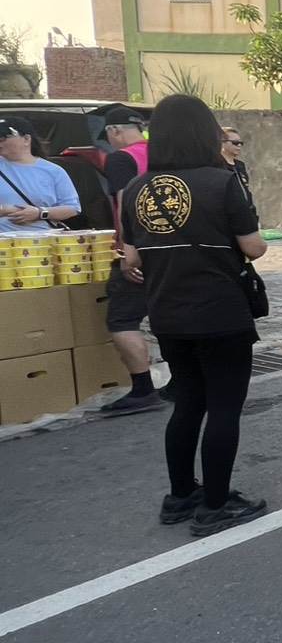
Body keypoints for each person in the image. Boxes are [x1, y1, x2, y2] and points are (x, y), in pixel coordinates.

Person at [117, 96, 267, 534]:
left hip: (167, 312)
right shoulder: (221, 182)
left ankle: (181, 495)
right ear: (204, 134)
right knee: (224, 407)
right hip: (220, 310)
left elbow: (130, 258)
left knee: (188, 403)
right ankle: (216, 504)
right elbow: (254, 246)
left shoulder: (137, 189)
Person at [97, 107, 163, 416]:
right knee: (166, 314)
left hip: (141, 248)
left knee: (123, 320)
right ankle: (182, 382)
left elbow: (126, 203)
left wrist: (126, 250)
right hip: (171, 247)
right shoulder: (164, 152)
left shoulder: (121, 158)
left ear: (113, 132)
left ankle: (142, 389)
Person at [0, 117, 81, 233]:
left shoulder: (53, 171)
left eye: (3, 138)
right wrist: (4, 210)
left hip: (43, 243)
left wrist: (39, 213)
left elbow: (73, 208)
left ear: (26, 139)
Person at [220, 126, 252, 203]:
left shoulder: (240, 166)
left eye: (241, 143)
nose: (239, 146)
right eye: (235, 143)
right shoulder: (216, 165)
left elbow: (245, 190)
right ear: (222, 143)